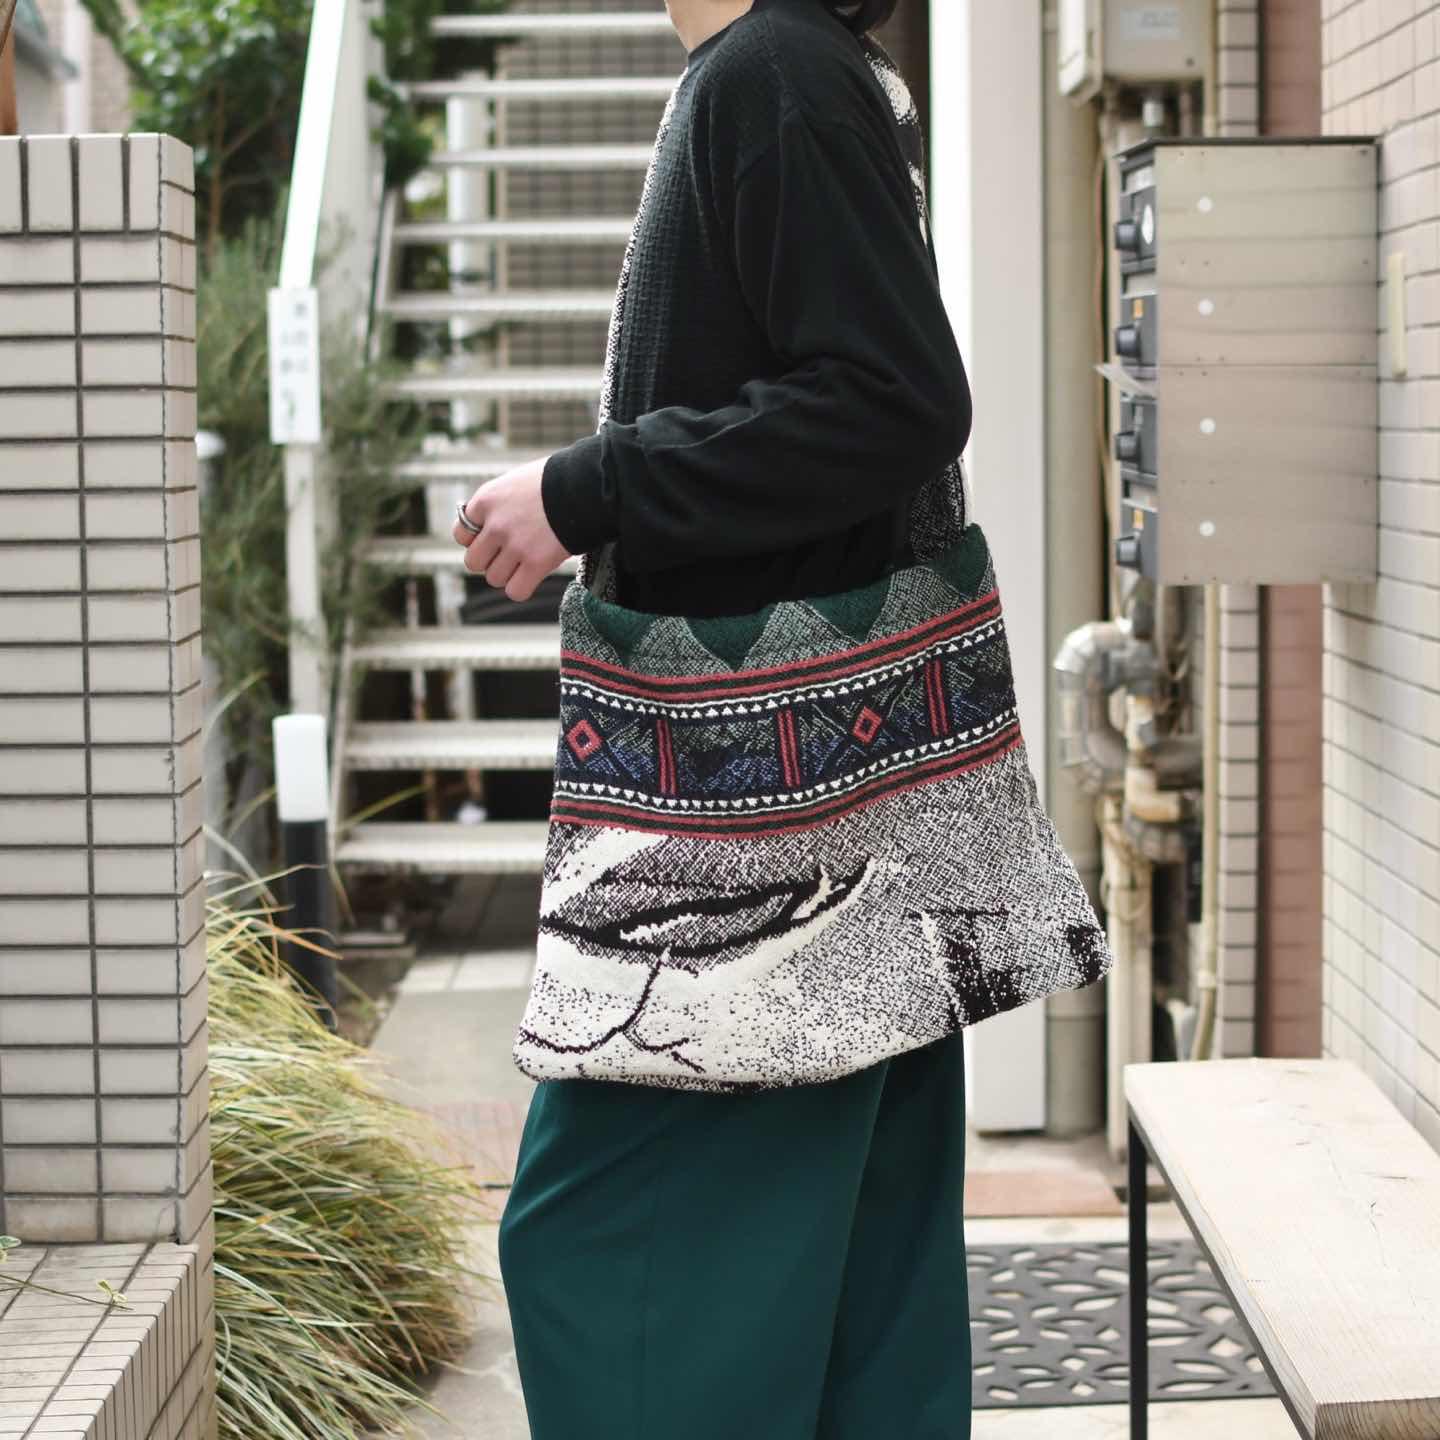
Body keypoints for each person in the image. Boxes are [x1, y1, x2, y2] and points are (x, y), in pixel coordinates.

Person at [453, 1, 975, 1434]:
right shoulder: (778, 70)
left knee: (604, 1256)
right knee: (852, 1303)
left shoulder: (773, 72)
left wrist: (589, 490)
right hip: (836, 806)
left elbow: (893, 397)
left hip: (750, 833)